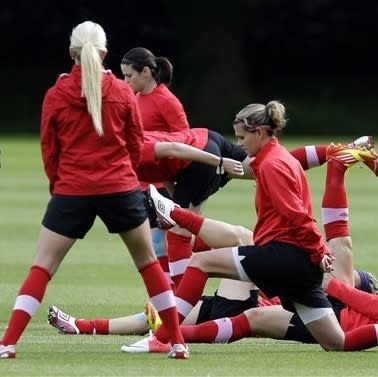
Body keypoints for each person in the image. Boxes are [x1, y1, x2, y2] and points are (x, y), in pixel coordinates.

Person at [122, 100, 378, 353]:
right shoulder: (276, 159)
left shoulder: (272, 165)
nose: (239, 144)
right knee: (337, 343)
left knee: (201, 263)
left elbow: (297, 215)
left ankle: (164, 338)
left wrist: (318, 251)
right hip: (299, 266)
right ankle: (174, 213)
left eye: (242, 137)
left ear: (260, 132)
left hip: (283, 255)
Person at [0, 21, 188, 360]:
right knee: (148, 264)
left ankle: (8, 343)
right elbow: (135, 145)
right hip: (120, 187)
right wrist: (125, 178)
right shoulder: (121, 91)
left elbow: (49, 149)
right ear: (104, 53)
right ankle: (177, 343)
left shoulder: (57, 94)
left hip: (72, 189)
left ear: (71, 53)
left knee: (42, 267)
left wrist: (60, 187)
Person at [121, 47, 190, 285]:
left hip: (162, 185)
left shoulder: (167, 101)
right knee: (154, 246)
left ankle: (175, 299)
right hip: (139, 184)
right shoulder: (132, 99)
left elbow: (185, 138)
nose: (125, 81)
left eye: (129, 75)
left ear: (147, 72)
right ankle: (170, 298)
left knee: (161, 242)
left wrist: (151, 141)